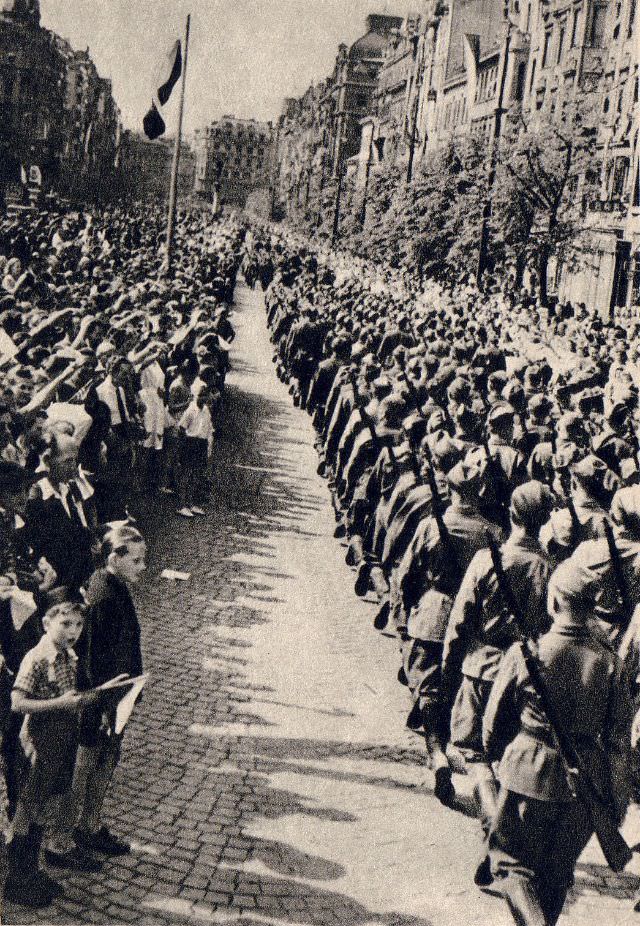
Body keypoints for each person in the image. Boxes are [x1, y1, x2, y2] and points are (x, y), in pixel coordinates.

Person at [482, 561, 633, 925]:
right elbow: (618, 743)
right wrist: (617, 798)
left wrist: (500, 755)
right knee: (555, 878)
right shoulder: (610, 662)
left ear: (553, 602)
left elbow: (492, 725)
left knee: (510, 867)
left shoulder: (526, 653)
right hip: (585, 786)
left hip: (527, 775)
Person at [5, 601, 102, 906]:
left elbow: (69, 698)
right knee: (26, 810)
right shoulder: (36, 659)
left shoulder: (68, 656)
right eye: (65, 624)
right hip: (38, 744)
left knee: (44, 808)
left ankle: (32, 872)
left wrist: (90, 699)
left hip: (61, 742)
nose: (73, 631)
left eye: (78, 625)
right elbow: (18, 703)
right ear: (47, 623)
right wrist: (60, 704)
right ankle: (16, 881)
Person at [72, 523, 147, 858]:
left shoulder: (113, 584)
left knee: (106, 759)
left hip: (116, 695)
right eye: (137, 560)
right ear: (115, 557)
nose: (142, 568)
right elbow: (91, 655)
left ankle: (90, 825)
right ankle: (74, 832)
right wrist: (101, 704)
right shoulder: (103, 594)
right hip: (103, 698)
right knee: (89, 762)